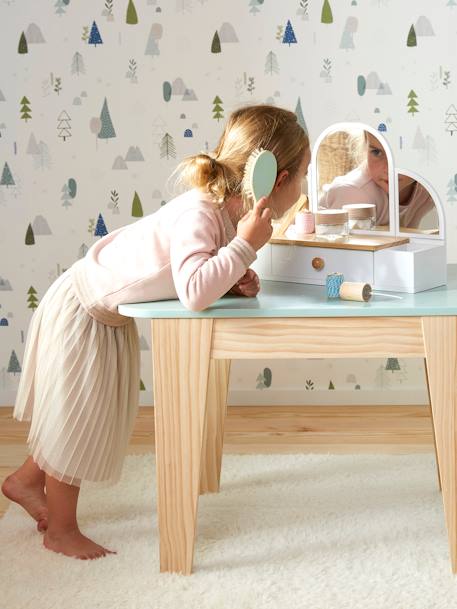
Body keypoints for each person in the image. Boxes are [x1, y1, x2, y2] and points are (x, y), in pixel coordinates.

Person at [1, 104, 310, 560]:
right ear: (278, 179)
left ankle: (25, 481)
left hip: (104, 314)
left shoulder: (226, 215)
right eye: (302, 175)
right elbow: (193, 292)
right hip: (81, 310)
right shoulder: (203, 213)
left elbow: (204, 273)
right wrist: (246, 247)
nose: (304, 187)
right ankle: (61, 531)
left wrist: (239, 275)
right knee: (75, 420)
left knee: (88, 416)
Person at [318, 131, 435, 228]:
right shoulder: (356, 195)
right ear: (366, 147)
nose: (388, 168)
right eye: (377, 152)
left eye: (401, 154)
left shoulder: (425, 188)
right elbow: (345, 253)